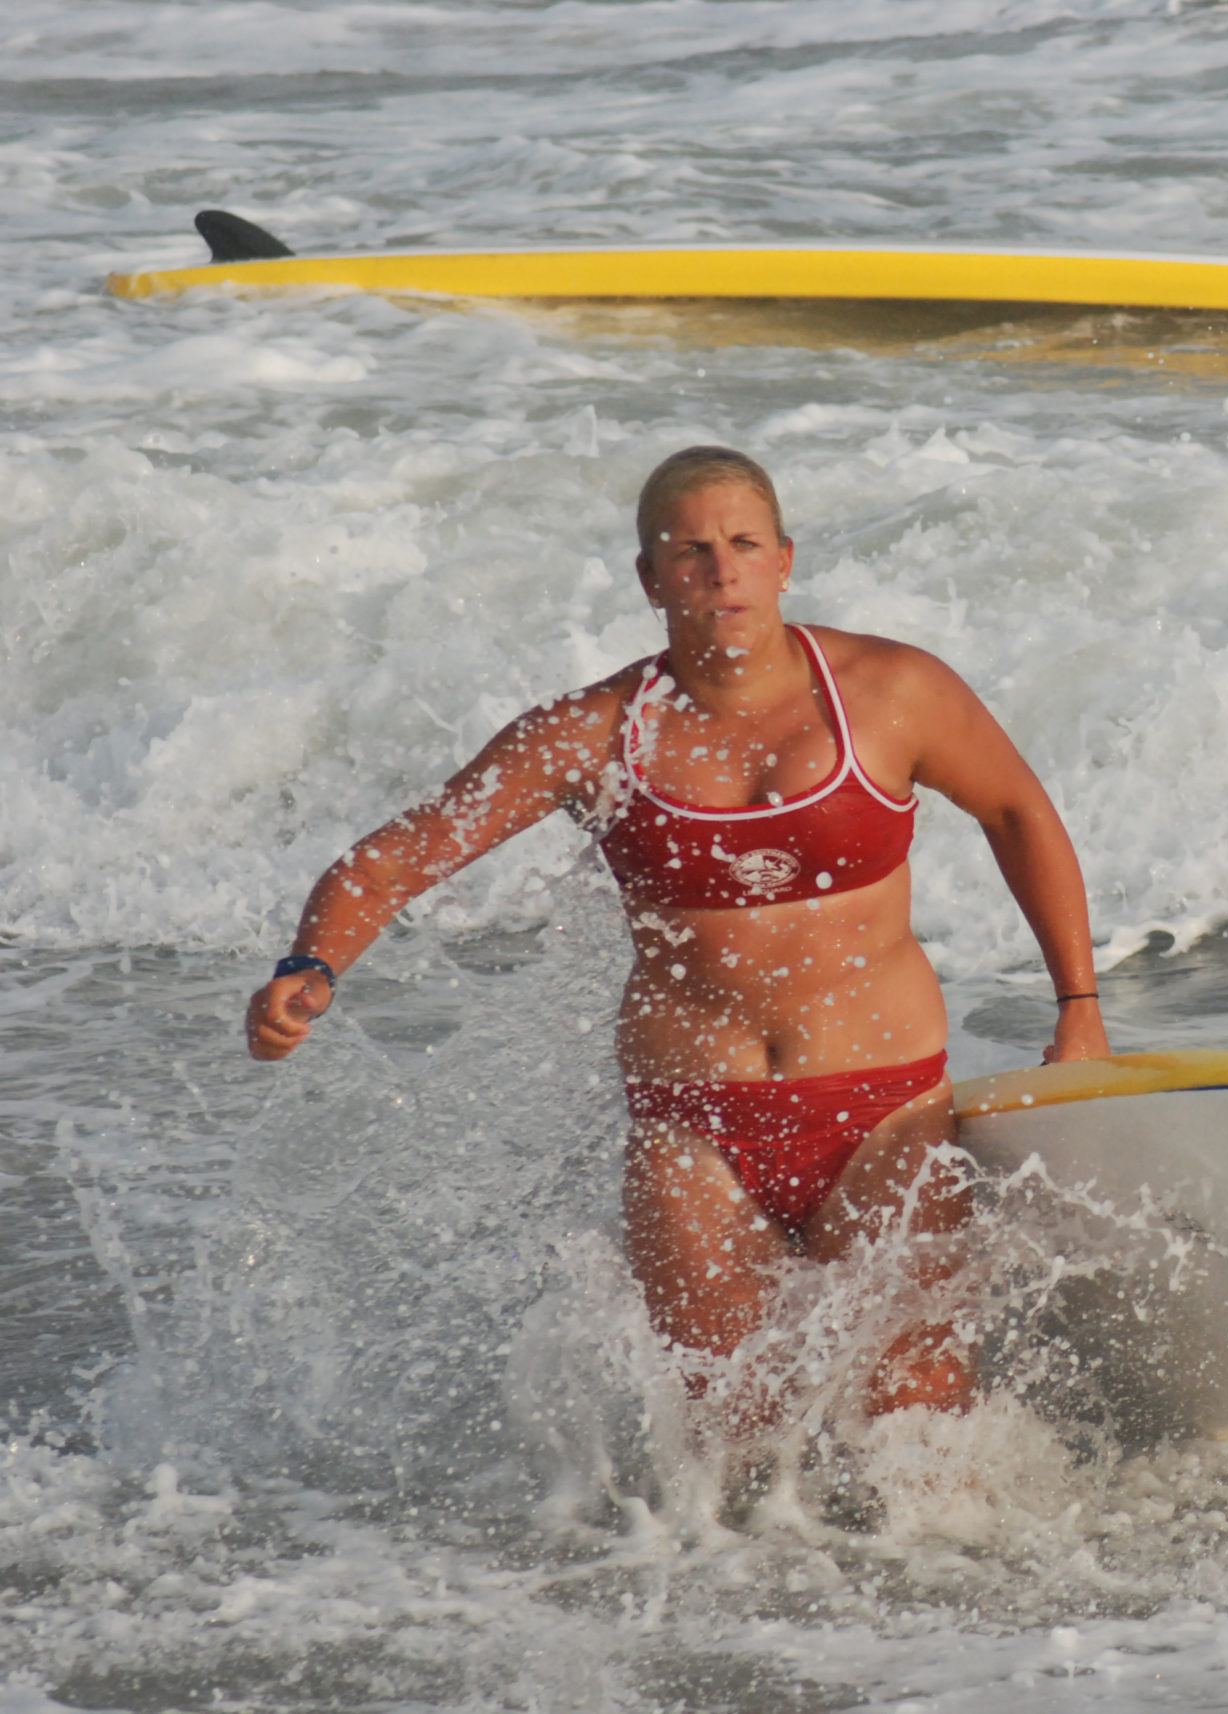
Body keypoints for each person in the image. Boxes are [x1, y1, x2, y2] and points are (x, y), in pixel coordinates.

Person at [243, 445, 1110, 1422]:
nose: (721, 568)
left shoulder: (891, 693)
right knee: (725, 1440)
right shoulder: (591, 735)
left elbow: (1019, 814)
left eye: (743, 543)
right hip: (694, 1130)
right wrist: (309, 961)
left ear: (784, 560)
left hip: (885, 1112)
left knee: (916, 1414)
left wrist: (1078, 1006)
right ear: (651, 579)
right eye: (691, 550)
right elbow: (403, 853)